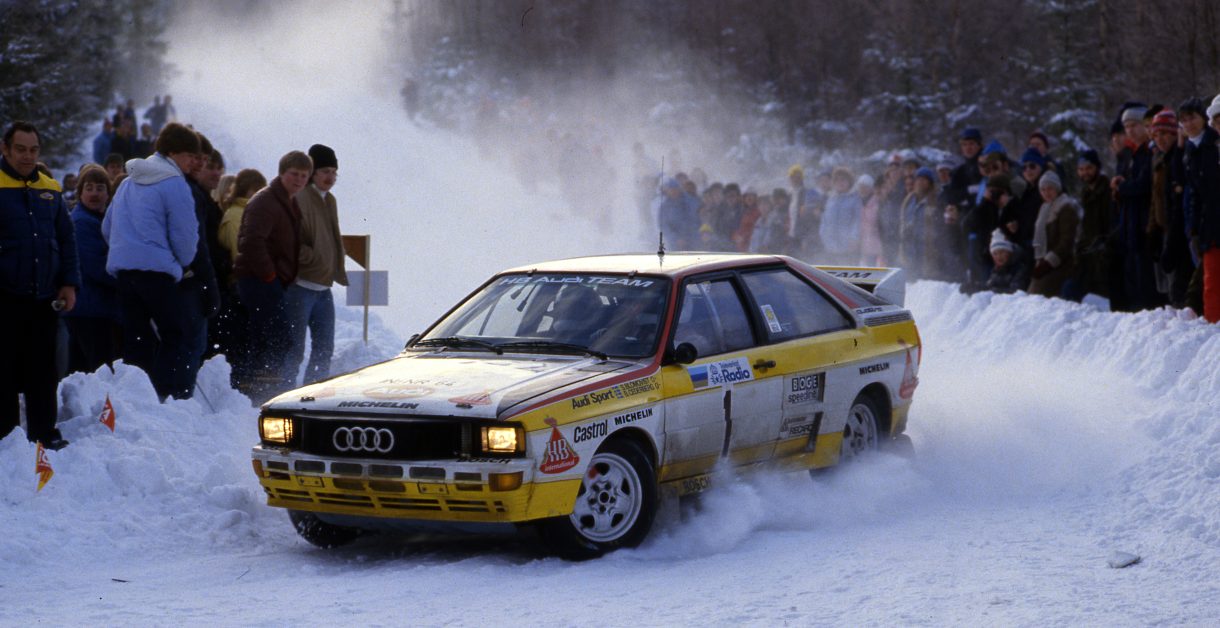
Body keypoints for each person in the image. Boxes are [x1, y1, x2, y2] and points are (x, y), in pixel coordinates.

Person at [102, 122, 201, 401]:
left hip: (125, 273)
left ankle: (136, 399)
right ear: (173, 153)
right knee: (174, 334)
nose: (192, 162)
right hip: (158, 273)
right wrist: (181, 261)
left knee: (136, 338)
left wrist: (126, 249)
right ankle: (162, 397)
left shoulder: (127, 183)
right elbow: (185, 235)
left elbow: (107, 227)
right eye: (189, 155)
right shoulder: (174, 184)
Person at [0, 121, 79, 449]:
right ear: (5, 149)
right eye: (20, 149)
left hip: (44, 297)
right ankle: (7, 439)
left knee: (43, 370)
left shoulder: (50, 188)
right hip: (5, 298)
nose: (28, 156)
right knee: (4, 369)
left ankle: (44, 433)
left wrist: (69, 283)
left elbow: (66, 239)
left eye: (33, 150)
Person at [234, 150, 311, 397]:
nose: (299, 180)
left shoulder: (287, 200)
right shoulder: (266, 201)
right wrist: (269, 275)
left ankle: (257, 389)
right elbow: (251, 241)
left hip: (270, 280)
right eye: (294, 174)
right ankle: (258, 391)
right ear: (281, 173)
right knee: (274, 338)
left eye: (303, 175)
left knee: (268, 337)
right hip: (258, 280)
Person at [285, 144, 348, 386]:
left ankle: (311, 395)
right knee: (294, 349)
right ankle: (284, 395)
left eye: (334, 172)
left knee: (324, 349)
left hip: (323, 288)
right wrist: (315, 258)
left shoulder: (329, 200)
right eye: (325, 171)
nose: (330, 177)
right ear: (312, 173)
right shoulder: (300, 198)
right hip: (300, 286)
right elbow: (289, 241)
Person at [65, 166, 122, 374]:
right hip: (90, 308)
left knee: (81, 371)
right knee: (100, 371)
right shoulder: (82, 222)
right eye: (89, 188)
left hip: (94, 308)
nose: (94, 194)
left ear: (108, 193)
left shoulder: (100, 219)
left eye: (100, 188)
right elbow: (97, 266)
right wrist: (127, 280)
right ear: (80, 192)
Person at [216, 168, 267, 389]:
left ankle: (249, 382)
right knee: (243, 339)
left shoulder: (250, 212)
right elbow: (240, 252)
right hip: (242, 283)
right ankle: (243, 385)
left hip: (252, 282)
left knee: (251, 338)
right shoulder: (237, 214)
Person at [1182, 97, 1220, 320]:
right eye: (1218, 122)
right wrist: (1194, 228)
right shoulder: (1200, 151)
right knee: (1212, 283)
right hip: (1212, 228)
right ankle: (1214, 329)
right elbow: (1196, 194)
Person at [1028, 171, 1081, 298]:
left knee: (1038, 295)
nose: (1046, 193)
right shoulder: (1044, 208)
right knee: (1032, 295)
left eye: (1050, 188)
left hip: (1062, 263)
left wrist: (1048, 263)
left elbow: (1067, 241)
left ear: (1057, 188)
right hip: (1045, 263)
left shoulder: (1066, 208)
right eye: (1043, 189)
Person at [1069, 149, 1113, 301]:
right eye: (1081, 169)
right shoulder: (1085, 193)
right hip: (1087, 251)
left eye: (1089, 168)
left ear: (1097, 168)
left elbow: (1109, 221)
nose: (1085, 173)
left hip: (1104, 251)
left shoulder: (1107, 190)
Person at [819, 167, 861, 263]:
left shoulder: (855, 199)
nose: (840, 182)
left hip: (848, 248)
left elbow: (857, 221)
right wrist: (823, 235)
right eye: (837, 180)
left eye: (843, 180)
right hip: (830, 247)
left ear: (849, 182)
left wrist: (854, 238)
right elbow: (824, 220)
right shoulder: (831, 199)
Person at [986, 229, 1030, 294]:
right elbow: (989, 287)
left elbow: (1016, 291)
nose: (999, 256)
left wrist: (994, 291)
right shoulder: (996, 270)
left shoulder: (1019, 268)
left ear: (1009, 252)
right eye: (995, 254)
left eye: (1002, 252)